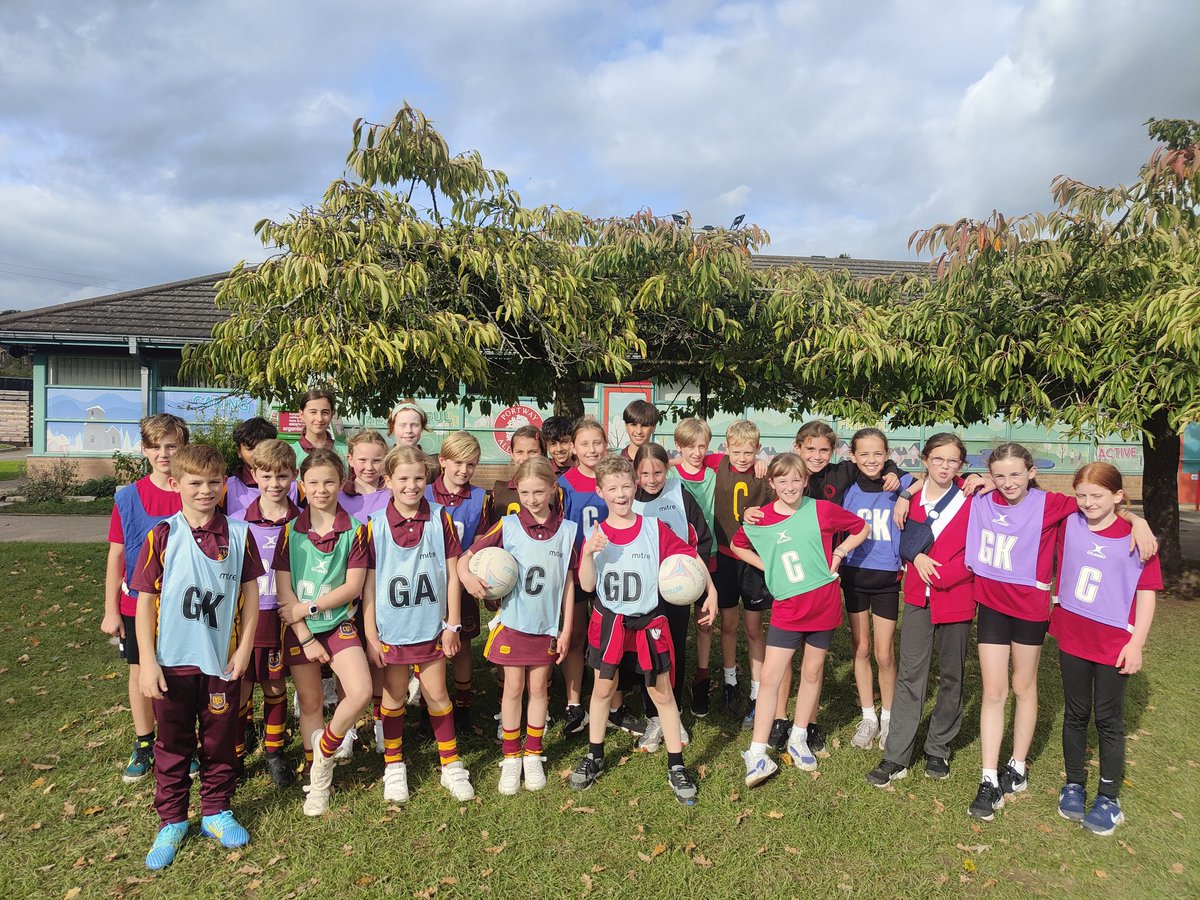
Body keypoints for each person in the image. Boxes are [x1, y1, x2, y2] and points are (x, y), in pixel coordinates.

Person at [965, 443, 1156, 822]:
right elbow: (932, 478)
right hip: (991, 607)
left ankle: (1017, 767)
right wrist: (982, 479)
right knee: (992, 690)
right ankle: (988, 777)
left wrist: (1139, 520)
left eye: (1016, 474)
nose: (1007, 482)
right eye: (999, 475)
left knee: (1024, 687)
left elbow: (1104, 506)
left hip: (1032, 612)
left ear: (1032, 472)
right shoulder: (980, 495)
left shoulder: (1054, 505)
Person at [130, 444, 262, 869]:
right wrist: (147, 663)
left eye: (213, 482)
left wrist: (243, 649)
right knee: (172, 745)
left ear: (225, 484)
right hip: (171, 664)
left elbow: (251, 595)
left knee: (220, 739)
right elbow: (145, 601)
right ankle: (171, 820)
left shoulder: (240, 535)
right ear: (175, 484)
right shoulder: (162, 535)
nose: (205, 490)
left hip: (221, 662)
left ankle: (215, 811)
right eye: (195, 482)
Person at [568, 454, 712, 805]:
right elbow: (587, 586)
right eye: (612, 488)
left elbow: (690, 558)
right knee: (603, 689)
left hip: (649, 622)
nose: (620, 494)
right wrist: (588, 554)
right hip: (611, 622)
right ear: (600, 491)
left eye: (625, 486)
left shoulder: (654, 529)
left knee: (662, 694)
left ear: (635, 486)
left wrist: (713, 589)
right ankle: (595, 755)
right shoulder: (597, 535)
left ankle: (676, 765)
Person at [732, 453, 869, 785]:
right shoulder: (761, 518)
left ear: (806, 481)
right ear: (772, 483)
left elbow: (860, 527)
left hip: (822, 604)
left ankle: (798, 736)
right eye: (782, 481)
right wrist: (771, 565)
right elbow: (738, 545)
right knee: (771, 677)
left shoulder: (820, 509)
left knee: (812, 671)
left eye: (796, 480)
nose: (790, 486)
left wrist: (838, 553)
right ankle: (757, 750)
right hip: (788, 609)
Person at [1049, 463, 1160, 835]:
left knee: (1108, 720)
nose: (1087, 503)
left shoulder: (1136, 535)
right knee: (1076, 714)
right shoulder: (1070, 522)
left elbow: (1145, 593)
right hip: (1074, 636)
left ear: (1117, 496)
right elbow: (1026, 493)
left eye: (1096, 496)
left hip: (1114, 642)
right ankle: (1075, 784)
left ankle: (1109, 798)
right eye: (1081, 495)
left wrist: (1137, 643)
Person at [362, 445, 475, 802]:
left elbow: (454, 575)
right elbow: (368, 585)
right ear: (388, 481)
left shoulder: (441, 519)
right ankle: (394, 766)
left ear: (427, 479)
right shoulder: (373, 526)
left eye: (418, 478)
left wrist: (452, 623)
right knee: (394, 695)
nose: (411, 486)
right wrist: (370, 633)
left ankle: (451, 765)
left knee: (437, 694)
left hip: (431, 626)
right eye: (403, 479)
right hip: (393, 629)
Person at [461, 457, 577, 794]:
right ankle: (511, 758)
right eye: (525, 492)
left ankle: (533, 754)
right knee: (512, 689)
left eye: (539, 491)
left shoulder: (568, 531)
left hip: (545, 626)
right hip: (513, 622)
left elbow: (568, 583)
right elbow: (467, 557)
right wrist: (468, 579)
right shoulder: (508, 525)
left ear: (553, 489)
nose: (532, 499)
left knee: (539, 689)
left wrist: (566, 628)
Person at [867, 433, 975, 787]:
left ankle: (939, 747)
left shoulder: (971, 497)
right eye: (938, 459)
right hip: (917, 597)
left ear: (961, 466)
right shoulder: (908, 495)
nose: (945, 467)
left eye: (953, 461)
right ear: (925, 459)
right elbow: (898, 540)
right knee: (911, 673)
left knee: (952, 676)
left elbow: (978, 549)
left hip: (957, 595)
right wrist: (915, 554)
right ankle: (896, 754)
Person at [273, 449, 373, 816]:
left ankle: (326, 750)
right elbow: (286, 597)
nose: (321, 489)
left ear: (342, 483)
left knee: (360, 692)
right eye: (313, 482)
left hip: (337, 623)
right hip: (301, 632)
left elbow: (352, 587)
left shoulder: (356, 531)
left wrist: (311, 608)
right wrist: (306, 636)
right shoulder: (289, 532)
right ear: (302, 485)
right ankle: (318, 783)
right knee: (311, 703)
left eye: (329, 481)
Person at [102, 413, 188, 784]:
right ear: (144, 449)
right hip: (137, 604)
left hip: (184, 604)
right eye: (156, 446)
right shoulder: (128, 496)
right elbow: (117, 556)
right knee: (141, 672)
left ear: (183, 447)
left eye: (172, 445)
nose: (164, 452)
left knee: (182, 675)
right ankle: (144, 743)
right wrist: (110, 610)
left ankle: (181, 744)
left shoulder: (195, 490)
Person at [631, 442, 717, 750]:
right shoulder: (629, 499)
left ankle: (674, 712)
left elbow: (701, 540)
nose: (652, 479)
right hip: (642, 592)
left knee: (674, 650)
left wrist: (699, 583)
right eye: (644, 473)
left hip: (676, 591)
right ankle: (654, 716)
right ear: (635, 473)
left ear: (667, 470)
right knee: (648, 656)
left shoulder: (680, 494)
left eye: (658, 472)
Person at [838, 428, 915, 753]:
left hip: (886, 580)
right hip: (854, 577)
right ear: (853, 457)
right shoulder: (847, 489)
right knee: (862, 649)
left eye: (877, 454)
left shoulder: (900, 484)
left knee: (884, 653)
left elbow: (927, 480)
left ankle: (888, 717)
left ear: (887, 456)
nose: (871, 460)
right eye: (864, 454)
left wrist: (905, 493)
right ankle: (868, 715)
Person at [230, 439, 302, 787]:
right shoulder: (235, 523)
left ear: (294, 476)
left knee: (274, 685)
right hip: (245, 618)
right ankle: (236, 754)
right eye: (267, 476)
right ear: (254, 474)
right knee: (240, 686)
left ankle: (274, 751)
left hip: (283, 617)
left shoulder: (303, 523)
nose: (275, 484)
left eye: (282, 476)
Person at [426, 430, 493, 730]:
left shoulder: (480, 498)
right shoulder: (424, 493)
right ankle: (432, 703)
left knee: (463, 642)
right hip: (428, 582)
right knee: (429, 644)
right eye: (458, 463)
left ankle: (463, 706)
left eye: (471, 465)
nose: (464, 470)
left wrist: (465, 571)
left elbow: (479, 543)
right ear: (442, 461)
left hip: (462, 581)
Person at [709, 420, 772, 725]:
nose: (743, 457)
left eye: (749, 452)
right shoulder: (716, 462)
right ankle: (730, 680)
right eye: (737, 451)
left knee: (753, 628)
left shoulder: (765, 474)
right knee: (729, 623)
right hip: (724, 557)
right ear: (726, 447)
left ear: (758, 449)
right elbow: (682, 459)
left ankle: (758, 693)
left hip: (752, 559)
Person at [557, 417, 610, 735]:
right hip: (576, 570)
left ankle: (609, 701)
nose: (592, 449)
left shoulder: (614, 478)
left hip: (610, 571)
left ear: (606, 444)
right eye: (585, 444)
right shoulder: (563, 486)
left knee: (608, 637)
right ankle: (574, 703)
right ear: (573, 448)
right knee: (575, 635)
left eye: (597, 442)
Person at [671, 417, 718, 717]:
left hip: (707, 554)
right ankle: (669, 678)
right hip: (673, 561)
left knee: (704, 621)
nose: (697, 452)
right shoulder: (670, 475)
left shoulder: (714, 473)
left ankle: (701, 678)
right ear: (679, 447)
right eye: (689, 446)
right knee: (673, 625)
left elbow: (739, 458)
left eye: (702, 446)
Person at [489, 425, 549, 525]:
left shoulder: (553, 491)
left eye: (532, 452)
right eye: (519, 452)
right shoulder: (499, 491)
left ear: (542, 453)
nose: (525, 458)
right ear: (512, 453)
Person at [223, 417, 279, 518]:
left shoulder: (294, 489)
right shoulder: (225, 488)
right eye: (250, 449)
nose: (257, 454)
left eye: (262, 447)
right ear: (239, 452)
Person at [293, 388, 345, 466]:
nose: (319, 419)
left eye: (325, 412)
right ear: (301, 415)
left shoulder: (345, 451)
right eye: (313, 412)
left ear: (332, 414)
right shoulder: (290, 452)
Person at [620, 399, 659, 464]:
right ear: (626, 426)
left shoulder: (662, 462)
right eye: (633, 425)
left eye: (645, 425)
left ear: (654, 427)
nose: (639, 431)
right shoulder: (614, 461)